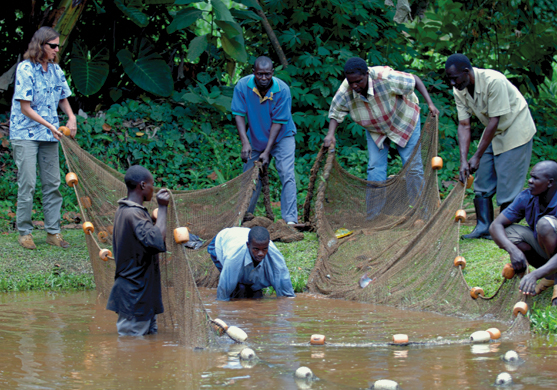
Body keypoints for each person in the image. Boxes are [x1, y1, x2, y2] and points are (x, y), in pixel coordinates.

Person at [323, 57, 439, 217]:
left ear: (367, 74)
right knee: (375, 168)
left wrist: (430, 104)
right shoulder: (347, 88)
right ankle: (374, 216)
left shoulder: (385, 77)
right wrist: (330, 135)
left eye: (358, 81)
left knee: (413, 168)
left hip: (403, 120)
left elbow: (415, 81)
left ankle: (423, 213)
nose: (355, 86)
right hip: (376, 128)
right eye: (351, 82)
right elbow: (336, 111)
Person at [445, 53, 536, 240]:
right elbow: (464, 125)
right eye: (450, 79)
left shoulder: (494, 81)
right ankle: (483, 227)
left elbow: (495, 120)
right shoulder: (459, 89)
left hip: (515, 128)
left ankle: (504, 229)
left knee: (508, 183)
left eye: (455, 78)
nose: (452, 83)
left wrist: (476, 155)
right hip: (493, 132)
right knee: (482, 181)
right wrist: (464, 160)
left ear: (466, 72)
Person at [10, 26, 77, 249]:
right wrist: (51, 125)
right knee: (27, 183)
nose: (57, 50)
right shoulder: (25, 69)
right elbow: (25, 108)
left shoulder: (56, 70)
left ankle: (53, 232)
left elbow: (63, 96)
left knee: (53, 183)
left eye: (58, 45)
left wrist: (71, 117)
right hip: (25, 133)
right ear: (41, 45)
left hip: (49, 135)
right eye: (53, 46)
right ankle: (25, 233)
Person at [231, 56, 298, 224]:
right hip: (255, 136)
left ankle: (290, 220)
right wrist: (245, 142)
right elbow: (239, 114)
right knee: (250, 176)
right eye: (259, 74)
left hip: (283, 136)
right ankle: (245, 215)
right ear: (253, 72)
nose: (263, 78)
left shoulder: (282, 90)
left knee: (286, 173)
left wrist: (267, 151)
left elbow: (278, 122)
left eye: (267, 74)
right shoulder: (242, 86)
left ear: (272, 73)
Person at [106, 166, 170, 336]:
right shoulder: (133, 214)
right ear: (142, 185)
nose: (153, 189)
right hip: (134, 297)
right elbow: (156, 240)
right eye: (151, 185)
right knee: (130, 351)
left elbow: (144, 239)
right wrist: (163, 208)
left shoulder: (126, 210)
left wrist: (154, 220)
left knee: (146, 350)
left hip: (142, 296)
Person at [490, 161, 557, 306]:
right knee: (508, 233)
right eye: (530, 177)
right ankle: (550, 275)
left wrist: (535, 274)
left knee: (544, 225)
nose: (530, 181)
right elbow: (496, 225)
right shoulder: (527, 196)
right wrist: (513, 250)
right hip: (548, 254)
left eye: (535, 178)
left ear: (550, 183)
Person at [207, 226, 296, 301]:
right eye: (256, 249)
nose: (261, 254)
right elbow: (223, 292)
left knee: (255, 293)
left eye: (264, 249)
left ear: (268, 245)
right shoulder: (233, 258)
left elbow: (286, 290)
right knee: (237, 290)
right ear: (248, 245)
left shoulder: (275, 256)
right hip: (220, 243)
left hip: (242, 238)